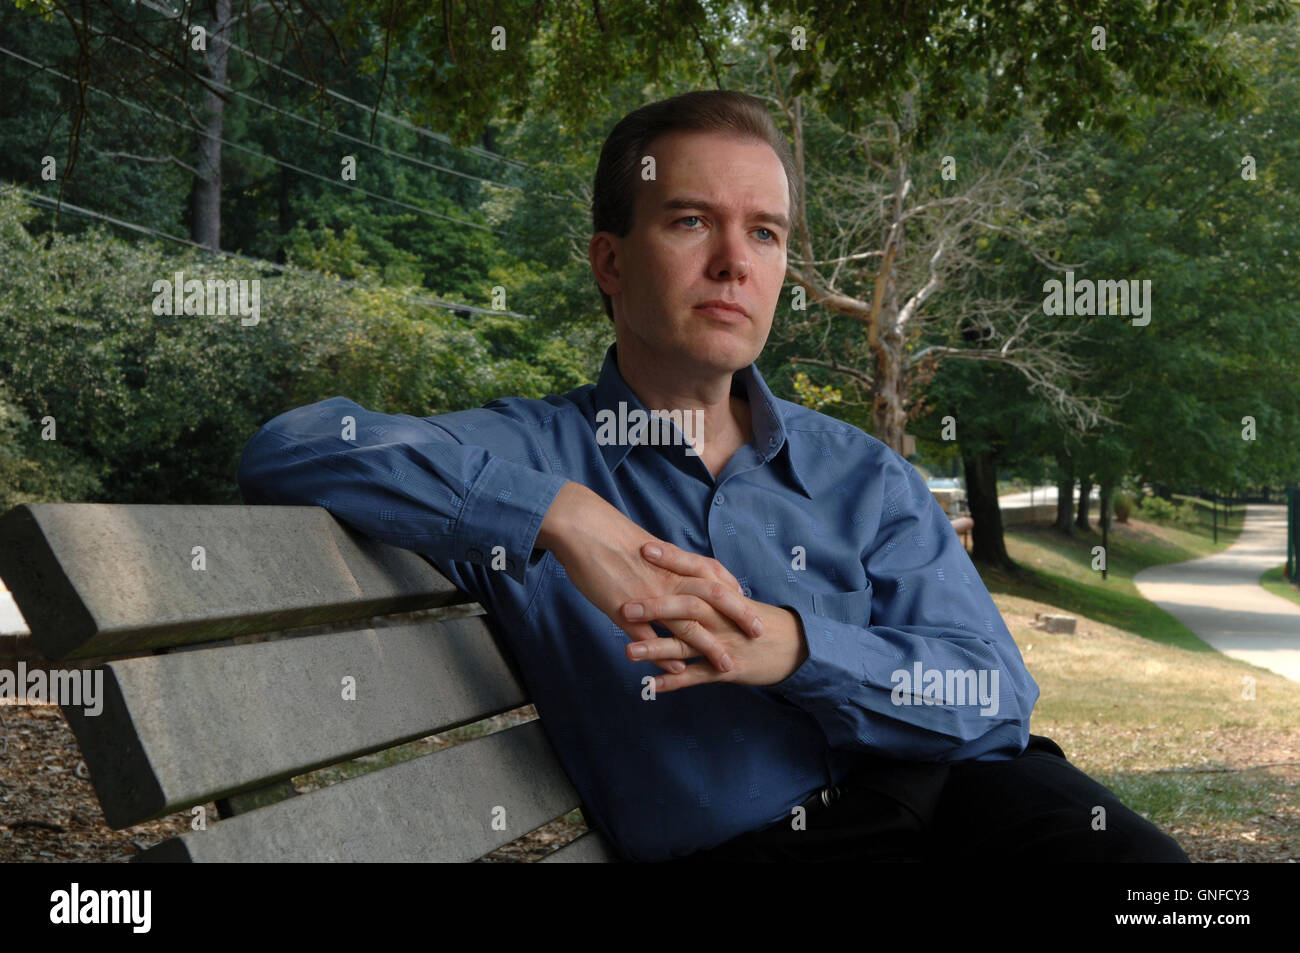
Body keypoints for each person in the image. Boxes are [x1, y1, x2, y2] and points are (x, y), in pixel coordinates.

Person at [236, 89, 1188, 863]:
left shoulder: (860, 473)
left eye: (766, 233)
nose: (735, 262)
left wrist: (798, 648)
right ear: (611, 260)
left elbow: (993, 698)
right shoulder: (534, 452)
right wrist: (560, 514)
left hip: (962, 796)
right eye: (693, 221)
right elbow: (297, 445)